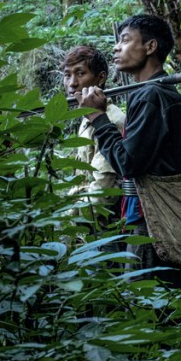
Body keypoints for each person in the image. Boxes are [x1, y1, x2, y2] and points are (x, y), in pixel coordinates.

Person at [77, 14, 181, 289]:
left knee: (154, 316)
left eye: (126, 40)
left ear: (151, 47)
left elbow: (127, 163)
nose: (117, 47)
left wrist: (98, 117)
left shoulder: (153, 95)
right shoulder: (148, 92)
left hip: (153, 226)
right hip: (154, 220)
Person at [61, 46, 125, 226]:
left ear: (101, 77)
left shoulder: (111, 120)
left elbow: (103, 191)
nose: (72, 83)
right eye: (67, 75)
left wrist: (66, 219)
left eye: (80, 73)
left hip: (108, 225)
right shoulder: (86, 117)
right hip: (90, 221)